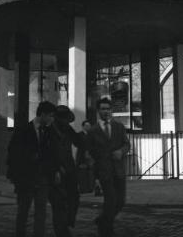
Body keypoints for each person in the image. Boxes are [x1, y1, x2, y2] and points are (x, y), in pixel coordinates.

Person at [6, 101, 60, 237]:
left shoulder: (50, 131)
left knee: (41, 212)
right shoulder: (23, 130)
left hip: (43, 178)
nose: (52, 119)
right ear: (43, 114)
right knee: (23, 211)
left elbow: (53, 153)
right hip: (26, 178)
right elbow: (13, 153)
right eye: (51, 116)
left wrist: (55, 171)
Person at [86, 97, 130, 237]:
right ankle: (107, 231)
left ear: (112, 111)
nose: (106, 111)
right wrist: (93, 173)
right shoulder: (93, 131)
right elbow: (90, 152)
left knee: (120, 202)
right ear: (98, 111)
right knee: (110, 201)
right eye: (103, 109)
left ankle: (102, 220)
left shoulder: (119, 127)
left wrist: (121, 151)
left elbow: (126, 144)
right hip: (104, 171)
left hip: (119, 170)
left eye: (108, 109)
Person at [49, 105, 83, 237]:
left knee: (74, 198)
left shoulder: (68, 129)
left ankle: (68, 222)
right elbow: (47, 153)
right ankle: (62, 232)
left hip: (70, 169)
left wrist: (85, 136)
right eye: (64, 119)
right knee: (58, 204)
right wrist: (55, 169)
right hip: (56, 171)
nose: (66, 122)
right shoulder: (49, 131)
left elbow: (78, 142)